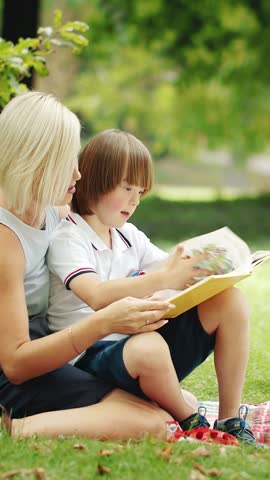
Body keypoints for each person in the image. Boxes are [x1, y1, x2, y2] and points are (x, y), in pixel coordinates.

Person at [0, 91, 195, 440]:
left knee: (164, 408)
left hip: (47, 353)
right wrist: (103, 323)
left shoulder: (49, 210)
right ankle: (15, 427)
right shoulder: (5, 240)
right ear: (34, 162)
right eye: (66, 162)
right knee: (153, 423)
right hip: (13, 370)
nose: (78, 173)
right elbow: (15, 364)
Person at [47, 129, 257, 445]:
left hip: (132, 349)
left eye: (141, 192)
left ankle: (229, 420)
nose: (134, 200)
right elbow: (96, 295)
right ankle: (191, 422)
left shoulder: (128, 235)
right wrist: (164, 280)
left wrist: (210, 266)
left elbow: (174, 273)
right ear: (94, 180)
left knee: (230, 301)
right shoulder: (68, 238)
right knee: (149, 347)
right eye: (127, 187)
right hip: (86, 358)